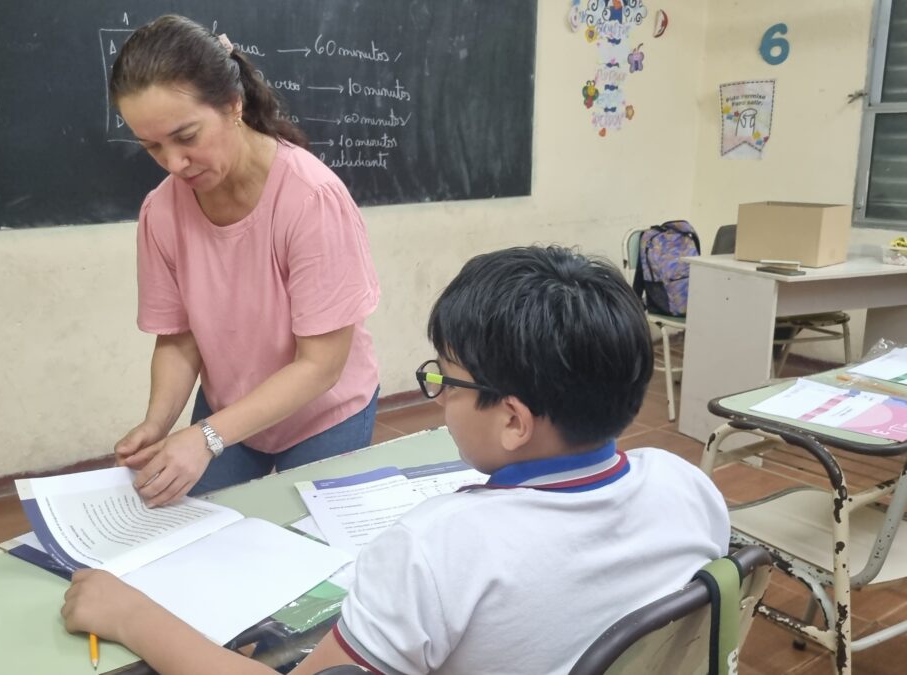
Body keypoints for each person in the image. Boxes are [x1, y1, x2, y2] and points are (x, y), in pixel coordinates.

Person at [62, 245, 729, 674]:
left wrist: (129, 615)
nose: (439, 399)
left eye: (447, 380)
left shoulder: (435, 548)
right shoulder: (688, 485)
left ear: (513, 419)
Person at [108, 15, 381, 503]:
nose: (174, 163)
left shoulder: (310, 199)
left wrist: (207, 437)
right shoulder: (161, 211)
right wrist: (157, 423)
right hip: (229, 407)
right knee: (193, 522)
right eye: (152, 147)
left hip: (322, 411)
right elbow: (179, 337)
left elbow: (320, 366)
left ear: (233, 105)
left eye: (186, 136)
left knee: (307, 536)